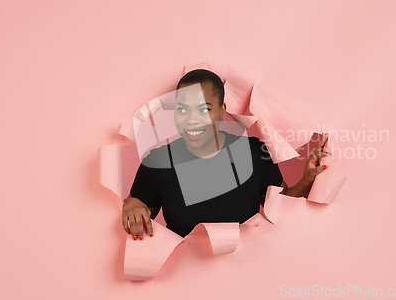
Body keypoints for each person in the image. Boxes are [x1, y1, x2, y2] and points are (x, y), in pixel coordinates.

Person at [122, 69, 329, 240]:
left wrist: (306, 180)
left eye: (204, 110)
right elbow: (139, 212)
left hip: (246, 275)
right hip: (186, 279)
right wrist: (130, 203)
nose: (191, 120)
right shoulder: (157, 163)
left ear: (222, 111)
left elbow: (280, 206)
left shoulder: (254, 152)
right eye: (183, 110)